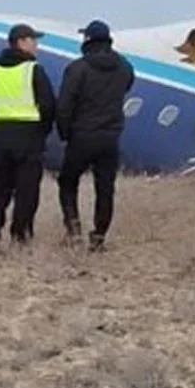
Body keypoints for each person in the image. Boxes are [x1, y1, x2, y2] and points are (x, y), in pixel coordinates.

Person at [55, 20, 135, 251]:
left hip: (81, 135)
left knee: (68, 182)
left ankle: (73, 229)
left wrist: (64, 132)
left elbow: (65, 104)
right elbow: (127, 86)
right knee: (105, 188)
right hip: (110, 137)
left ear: (87, 40)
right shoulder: (124, 67)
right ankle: (99, 236)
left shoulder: (77, 68)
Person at [0, 24, 57, 247]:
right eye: (34, 40)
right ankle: (20, 236)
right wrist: (42, 131)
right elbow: (48, 104)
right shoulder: (33, 70)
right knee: (27, 190)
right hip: (29, 137)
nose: (37, 45)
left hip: (0, 136)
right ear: (21, 42)